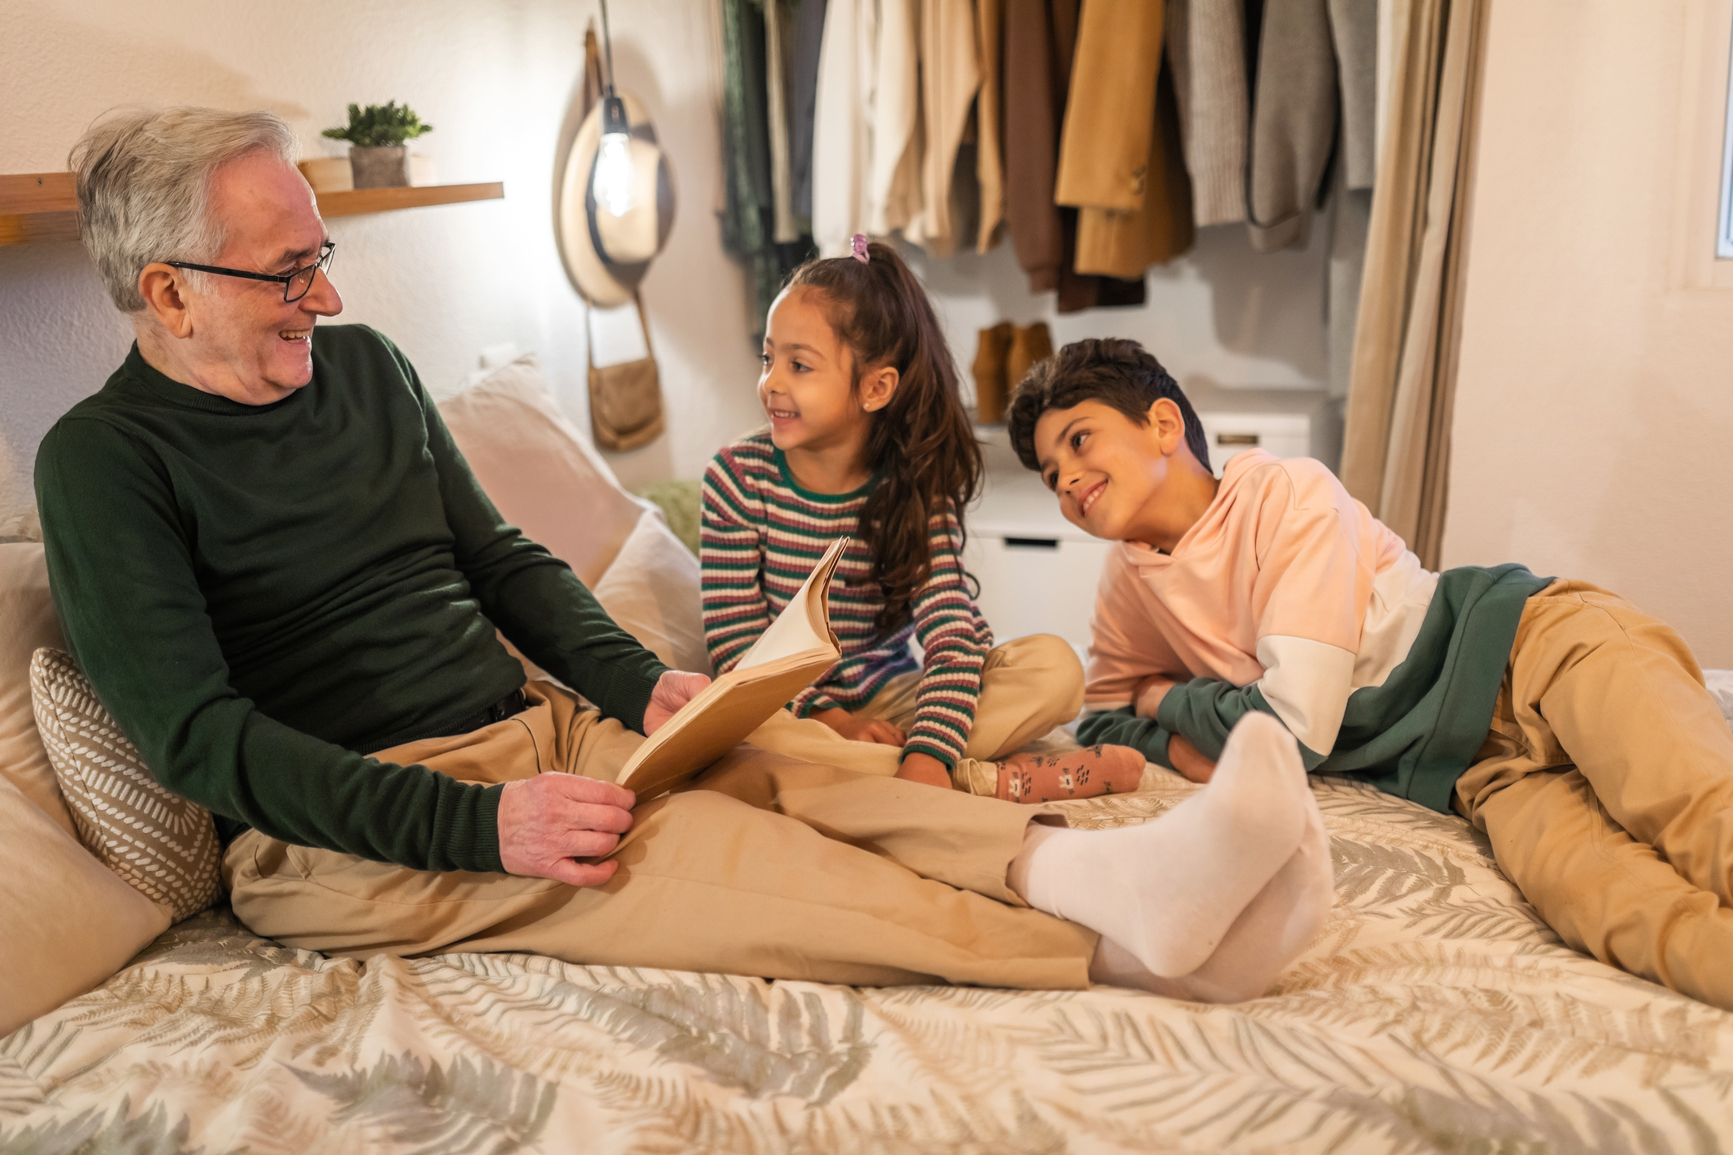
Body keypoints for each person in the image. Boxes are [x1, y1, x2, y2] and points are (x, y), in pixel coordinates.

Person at [34, 107, 1332, 1004]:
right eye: (287, 271)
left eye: (323, 257)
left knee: (796, 768)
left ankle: (1110, 872)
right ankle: (1133, 957)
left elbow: (502, 562)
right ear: (169, 291)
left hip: (531, 720)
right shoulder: (103, 464)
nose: (324, 296)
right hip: (353, 823)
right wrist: (480, 824)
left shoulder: (366, 368)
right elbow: (199, 741)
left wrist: (636, 685)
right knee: (720, 862)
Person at [1006, 336, 1733, 1010]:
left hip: (1533, 647)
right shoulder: (1127, 580)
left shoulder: (1282, 492)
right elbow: (1100, 719)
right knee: (1624, 913)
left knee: (1701, 816)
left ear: (1163, 425)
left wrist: (1165, 696)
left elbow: (1294, 730)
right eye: (1050, 475)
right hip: (1473, 769)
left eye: (1079, 440)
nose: (1066, 479)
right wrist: (1176, 744)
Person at [703, 239, 1144, 803]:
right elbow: (737, 649)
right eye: (768, 359)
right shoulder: (736, 480)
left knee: (1056, 669)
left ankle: (895, 776)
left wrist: (928, 750)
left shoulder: (913, 487)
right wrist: (832, 720)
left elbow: (953, 636)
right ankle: (984, 780)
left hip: (893, 700)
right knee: (742, 733)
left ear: (876, 388)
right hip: (788, 708)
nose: (772, 383)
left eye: (799, 365)